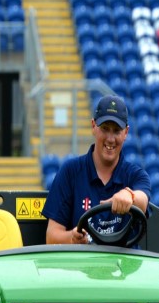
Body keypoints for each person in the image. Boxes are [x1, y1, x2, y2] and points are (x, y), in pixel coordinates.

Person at [43, 94, 151, 244]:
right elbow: (51, 236)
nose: (110, 138)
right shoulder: (70, 172)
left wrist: (129, 196)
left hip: (125, 265)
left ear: (126, 133)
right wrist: (72, 238)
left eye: (117, 130)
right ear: (93, 126)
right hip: (82, 264)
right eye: (105, 129)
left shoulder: (136, 175)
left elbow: (142, 200)